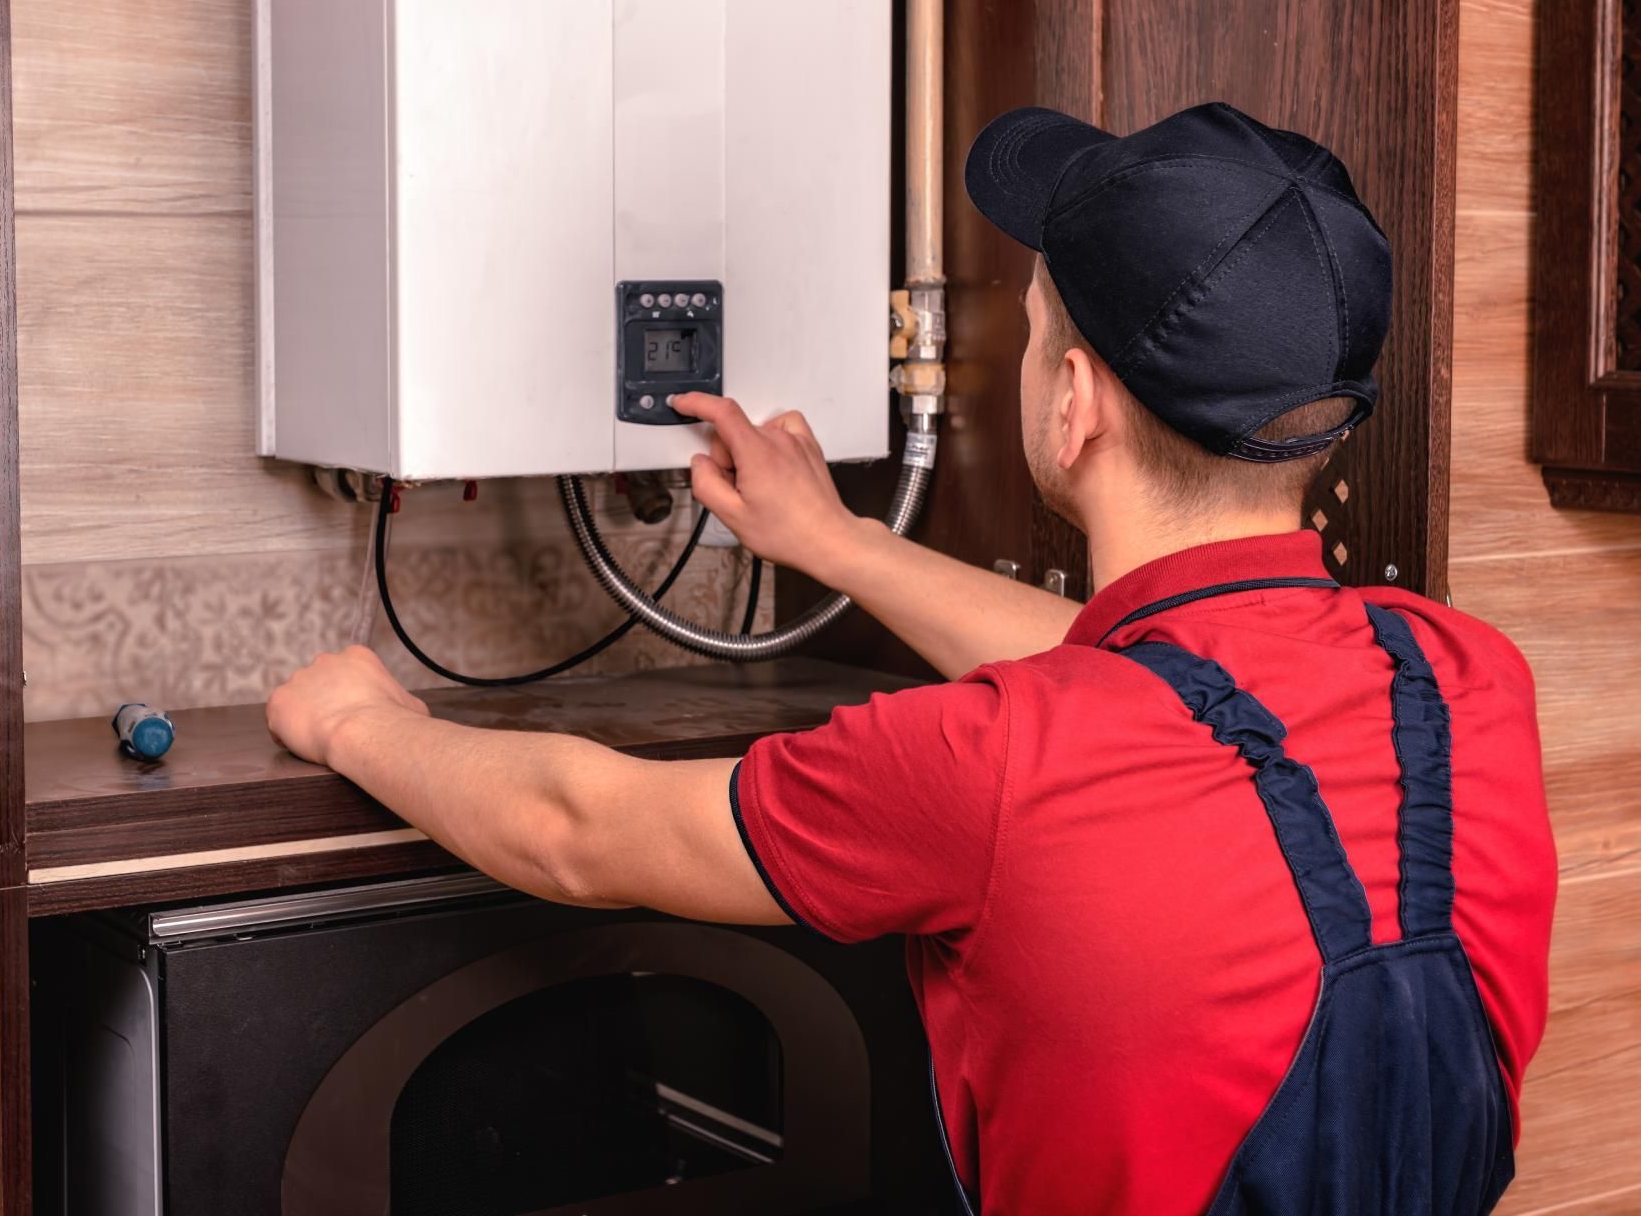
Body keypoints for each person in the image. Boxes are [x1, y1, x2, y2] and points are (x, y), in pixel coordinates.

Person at [267, 103, 1557, 1215]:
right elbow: (1181, 688)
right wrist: (835, 543)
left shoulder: (989, 766)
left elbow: (576, 829)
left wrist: (355, 723)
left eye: (1038, 321)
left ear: (1073, 404)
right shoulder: (1462, 680)